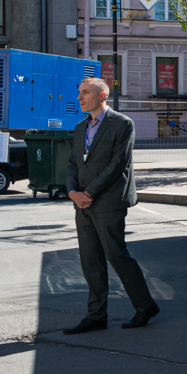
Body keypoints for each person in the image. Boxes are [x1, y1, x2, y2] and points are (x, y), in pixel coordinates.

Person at [63, 78, 160, 334]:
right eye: (79, 92)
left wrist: (88, 192)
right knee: (90, 260)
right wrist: (73, 192)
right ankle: (96, 316)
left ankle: (145, 306)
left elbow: (117, 164)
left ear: (102, 95)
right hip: (82, 203)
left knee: (116, 255)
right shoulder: (80, 128)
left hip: (108, 201)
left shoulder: (122, 124)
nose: (80, 98)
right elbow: (73, 164)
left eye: (86, 93)